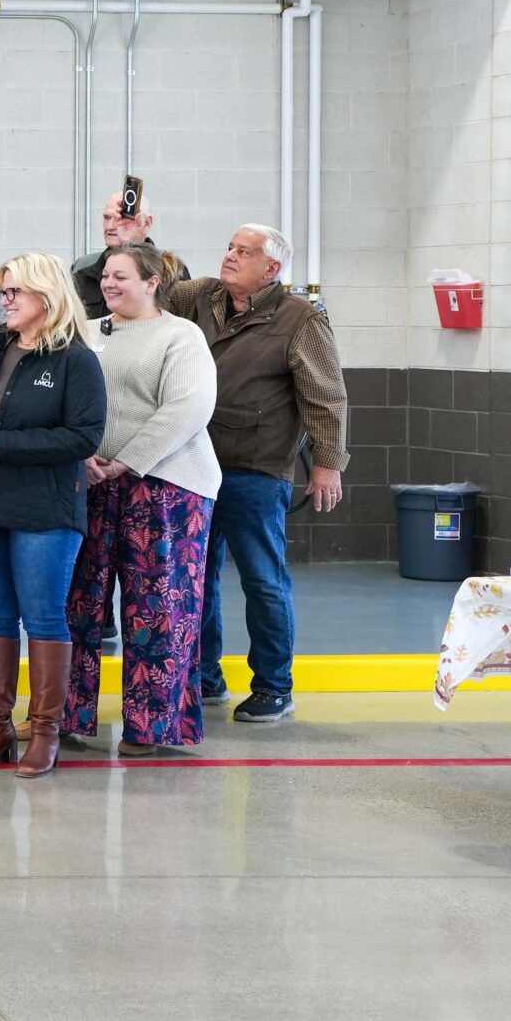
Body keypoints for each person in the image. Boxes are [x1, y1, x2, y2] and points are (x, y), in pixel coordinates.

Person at [167, 225, 348, 724]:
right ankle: (204, 678)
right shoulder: (198, 297)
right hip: (193, 463)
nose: (230, 256)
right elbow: (150, 281)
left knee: (263, 581)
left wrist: (328, 463)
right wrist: (133, 237)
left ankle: (274, 686)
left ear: (272, 268)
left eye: (243, 252)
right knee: (195, 576)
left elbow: (326, 394)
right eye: (230, 247)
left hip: (257, 469)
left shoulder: (300, 317)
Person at [0, 251, 106, 780]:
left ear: (47, 295)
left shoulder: (76, 360)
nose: (5, 301)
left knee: (42, 617)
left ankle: (44, 733)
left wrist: (3, 444)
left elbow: (83, 437)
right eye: (3, 292)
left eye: (14, 291)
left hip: (45, 508)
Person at [65, 243, 219, 756]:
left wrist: (126, 461)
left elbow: (188, 408)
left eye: (121, 276)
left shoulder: (181, 335)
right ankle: (66, 715)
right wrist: (85, 456)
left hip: (166, 486)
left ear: (152, 283)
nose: (108, 284)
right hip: (92, 481)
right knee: (77, 605)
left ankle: (152, 726)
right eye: (105, 276)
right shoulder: (84, 333)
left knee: (157, 609)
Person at [72, 185, 190, 321]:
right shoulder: (83, 267)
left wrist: (130, 247)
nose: (111, 226)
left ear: (147, 223)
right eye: (107, 217)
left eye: (123, 219)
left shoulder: (170, 269)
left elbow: (183, 317)